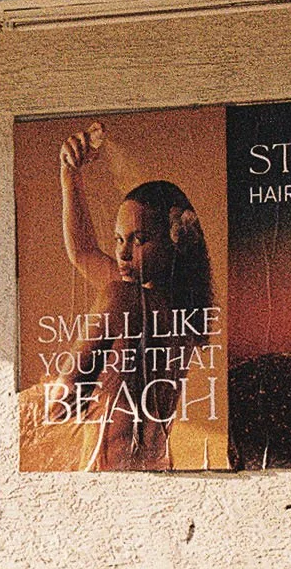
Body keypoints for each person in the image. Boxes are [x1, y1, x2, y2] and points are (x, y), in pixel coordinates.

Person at [56, 121, 215, 469]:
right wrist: (72, 177)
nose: (122, 254)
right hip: (155, 465)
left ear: (174, 245)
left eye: (139, 240)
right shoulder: (178, 312)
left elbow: (59, 404)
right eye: (118, 239)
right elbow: (83, 252)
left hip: (112, 473)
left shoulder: (125, 299)